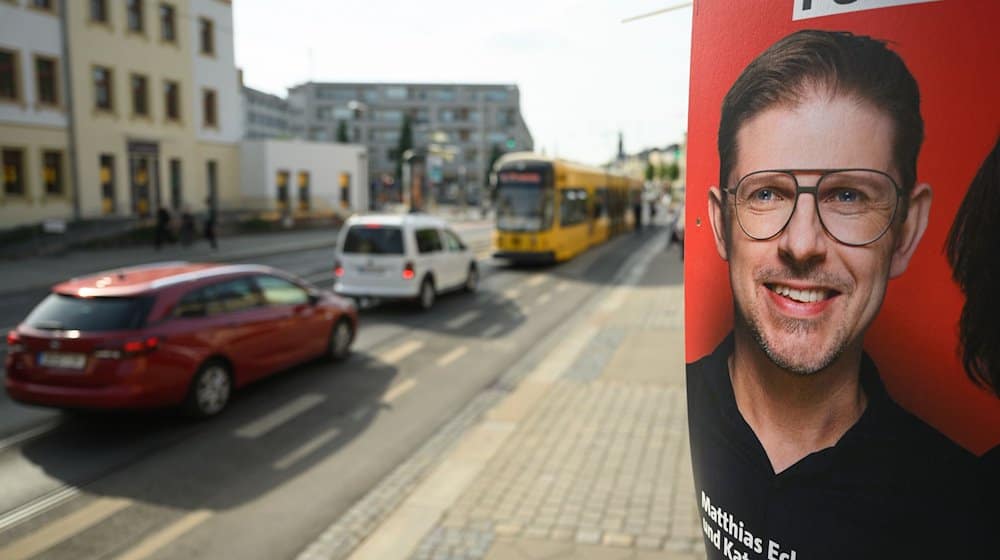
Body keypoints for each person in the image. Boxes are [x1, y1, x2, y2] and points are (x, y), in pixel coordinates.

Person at [688, 30, 986, 560]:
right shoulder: (676, 403)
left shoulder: (971, 509)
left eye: (848, 195)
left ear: (906, 229)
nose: (802, 243)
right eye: (768, 193)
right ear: (720, 223)